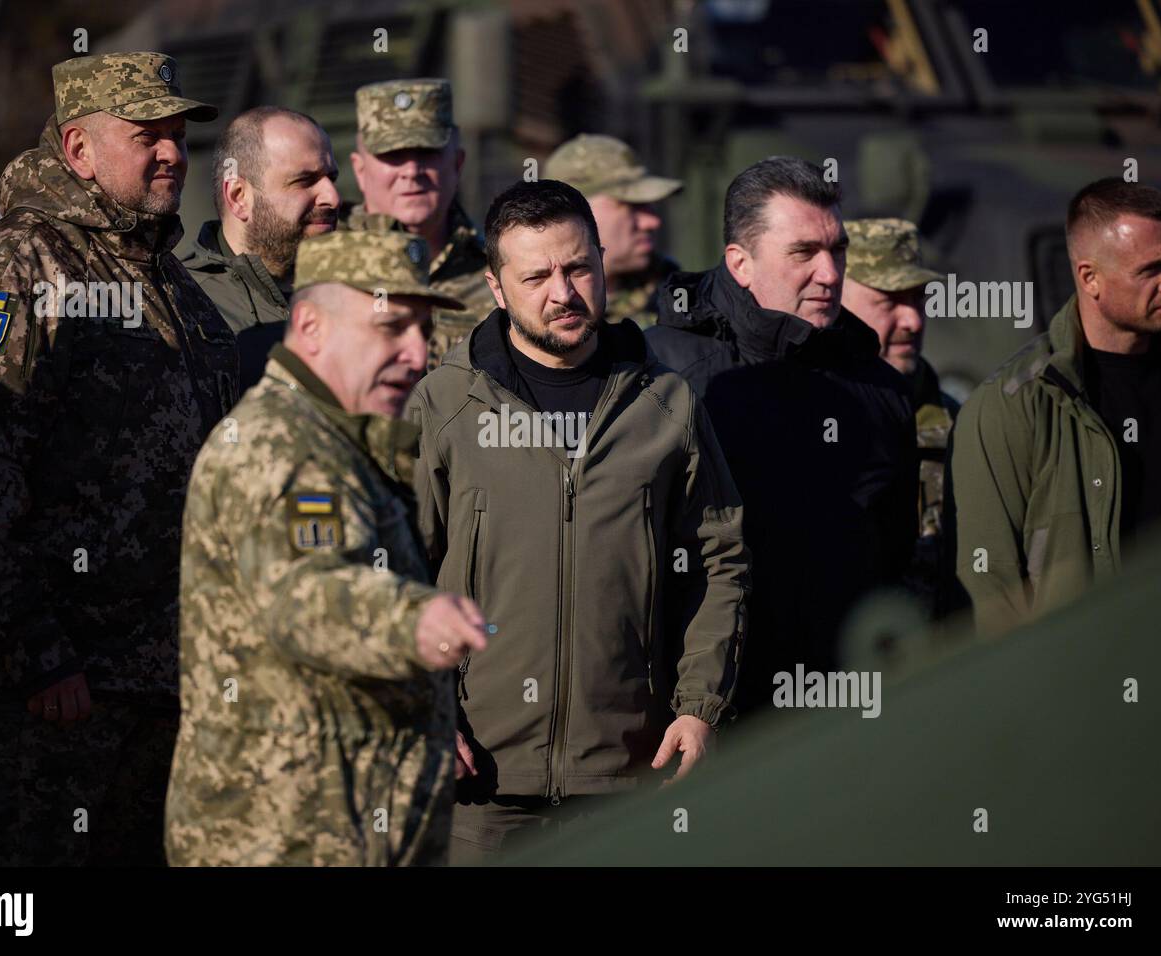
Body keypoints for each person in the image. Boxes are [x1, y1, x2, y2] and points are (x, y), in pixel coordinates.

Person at [0, 53, 236, 865]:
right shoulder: (14, 267)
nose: (171, 152)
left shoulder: (168, 279)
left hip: (160, 685)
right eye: (147, 135)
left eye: (177, 135)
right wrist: (39, 655)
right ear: (79, 149)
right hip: (53, 699)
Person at [408, 179, 749, 863]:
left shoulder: (667, 405)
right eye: (535, 276)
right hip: (482, 787)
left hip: (629, 779)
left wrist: (698, 706)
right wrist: (426, 716)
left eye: (577, 268)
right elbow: (399, 573)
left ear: (601, 262)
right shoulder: (445, 404)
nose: (562, 293)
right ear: (497, 288)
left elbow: (719, 561)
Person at [165, 230, 488, 866]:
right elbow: (305, 593)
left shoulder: (344, 440)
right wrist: (410, 620)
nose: (417, 353)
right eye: (392, 327)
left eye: (423, 330)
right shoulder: (279, 447)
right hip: (283, 838)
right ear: (310, 327)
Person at [646, 157, 918, 713]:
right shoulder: (658, 375)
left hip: (844, 715)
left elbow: (897, 560)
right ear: (741, 263)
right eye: (803, 253)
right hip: (701, 722)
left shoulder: (881, 390)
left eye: (837, 250)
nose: (829, 273)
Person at [951, 178, 1161, 635]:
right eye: (1151, 269)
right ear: (1089, 278)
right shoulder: (1012, 406)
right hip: (1082, 684)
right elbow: (990, 594)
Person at [842, 218, 957, 616]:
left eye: (918, 298)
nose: (914, 321)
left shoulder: (959, 424)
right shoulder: (810, 425)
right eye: (890, 300)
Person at [181, 106, 340, 389]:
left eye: (332, 178)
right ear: (239, 197)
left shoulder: (355, 291)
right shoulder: (182, 307)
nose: (332, 197)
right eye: (304, 181)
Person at [345, 78, 493, 367]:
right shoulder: (321, 264)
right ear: (359, 170)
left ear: (457, 164)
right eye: (393, 156)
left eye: (427, 153)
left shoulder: (501, 272)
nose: (411, 171)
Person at [544, 133, 683, 328]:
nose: (651, 222)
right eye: (631, 205)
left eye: (649, 206)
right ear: (572, 212)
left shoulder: (673, 292)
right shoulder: (504, 313)